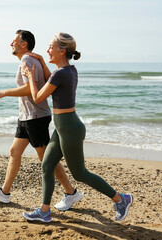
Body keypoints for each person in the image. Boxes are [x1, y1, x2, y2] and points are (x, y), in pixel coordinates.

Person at [21, 32, 133, 223]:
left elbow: (38, 96)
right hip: (63, 128)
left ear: (62, 51)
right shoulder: (69, 71)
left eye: (51, 47)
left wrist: (31, 76)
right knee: (47, 166)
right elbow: (51, 80)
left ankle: (121, 199)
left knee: (80, 173)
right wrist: (42, 60)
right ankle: (44, 211)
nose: (47, 49)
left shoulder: (60, 74)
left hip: (70, 130)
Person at [0, 30, 82, 210]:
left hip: (36, 117)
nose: (11, 44)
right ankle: (4, 192)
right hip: (27, 116)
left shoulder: (27, 61)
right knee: (14, 152)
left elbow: (30, 89)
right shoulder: (30, 60)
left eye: (14, 41)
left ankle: (71, 192)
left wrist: (3, 93)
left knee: (47, 159)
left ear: (24, 44)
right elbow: (45, 81)